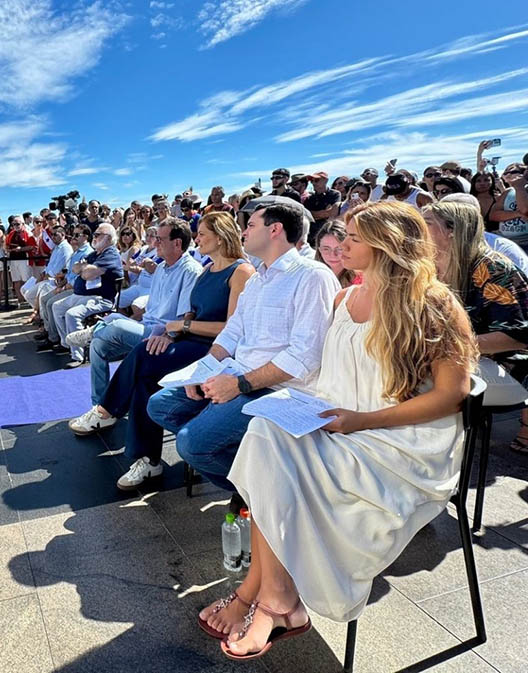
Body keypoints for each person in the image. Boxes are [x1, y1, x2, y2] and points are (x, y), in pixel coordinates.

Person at [204, 201, 477, 660]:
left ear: (387, 244)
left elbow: (452, 395)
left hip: (401, 445)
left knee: (271, 455)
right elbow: (337, 378)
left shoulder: (433, 304)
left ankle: (266, 597)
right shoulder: (343, 299)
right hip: (343, 424)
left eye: (353, 238)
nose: (340, 245)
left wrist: (361, 421)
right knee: (266, 435)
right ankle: (271, 597)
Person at [147, 203, 339, 492]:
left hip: (280, 389)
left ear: (275, 230)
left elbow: (304, 355)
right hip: (240, 374)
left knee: (191, 443)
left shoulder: (312, 276)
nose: (243, 231)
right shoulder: (258, 279)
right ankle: (255, 473)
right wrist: (201, 372)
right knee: (161, 405)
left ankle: (271, 493)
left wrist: (238, 385)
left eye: (250, 225)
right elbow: (232, 331)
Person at [81, 213, 255, 489]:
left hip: (214, 350)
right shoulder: (208, 270)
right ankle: (148, 460)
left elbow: (232, 328)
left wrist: (181, 326)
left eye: (202, 234)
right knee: (144, 377)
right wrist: (169, 334)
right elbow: (191, 311)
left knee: (142, 355)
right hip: (188, 340)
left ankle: (108, 410)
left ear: (220, 237)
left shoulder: (241, 272)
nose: (197, 239)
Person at [68, 217, 203, 432]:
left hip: (164, 336)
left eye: (160, 239)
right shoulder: (161, 268)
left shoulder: (191, 271)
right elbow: (151, 311)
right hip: (147, 326)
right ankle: (100, 406)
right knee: (98, 345)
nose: (155, 243)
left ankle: (95, 330)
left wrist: (168, 335)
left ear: (177, 243)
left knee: (115, 326)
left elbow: (185, 317)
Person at [422, 198, 528, 454]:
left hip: (504, 366)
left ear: (452, 230)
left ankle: (428, 458)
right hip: (453, 357)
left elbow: (518, 336)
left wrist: (441, 349)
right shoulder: (430, 267)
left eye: (427, 222)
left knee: (418, 379)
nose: (418, 228)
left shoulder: (494, 268)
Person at [48, 223, 124, 364]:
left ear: (108, 238)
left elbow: (87, 275)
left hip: (100, 299)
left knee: (72, 314)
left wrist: (85, 268)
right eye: (94, 234)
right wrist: (85, 268)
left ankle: (78, 355)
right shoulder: (95, 254)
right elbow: (75, 268)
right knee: (57, 306)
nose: (94, 237)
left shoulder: (111, 254)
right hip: (81, 296)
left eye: (97, 235)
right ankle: (67, 343)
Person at [36, 227, 92, 350]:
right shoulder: (76, 252)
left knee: (52, 304)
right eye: (73, 234)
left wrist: (65, 287)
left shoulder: (87, 253)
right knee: (44, 299)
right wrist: (61, 285)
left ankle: (58, 339)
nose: (73, 237)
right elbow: (69, 274)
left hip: (77, 289)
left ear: (86, 237)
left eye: (77, 235)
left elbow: (82, 277)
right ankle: (51, 333)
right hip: (68, 285)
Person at [314, 220, 357, 287]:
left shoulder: (362, 281)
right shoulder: (311, 276)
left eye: (339, 249)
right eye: (326, 249)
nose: (333, 254)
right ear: (319, 250)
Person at [303, 172, 341, 245]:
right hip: (310, 237)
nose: (313, 183)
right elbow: (306, 215)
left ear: (325, 181)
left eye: (316, 180)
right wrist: (325, 213)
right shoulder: (309, 198)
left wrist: (313, 214)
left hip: (326, 235)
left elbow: (332, 213)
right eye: (312, 181)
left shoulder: (335, 194)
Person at [5, 216, 35, 305]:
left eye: (18, 224)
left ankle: (29, 300)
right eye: (14, 224)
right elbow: (6, 245)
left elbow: (32, 246)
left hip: (24, 260)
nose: (16, 226)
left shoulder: (28, 233)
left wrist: (21, 249)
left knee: (26, 280)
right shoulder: (11, 234)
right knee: (16, 280)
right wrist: (9, 249)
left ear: (22, 224)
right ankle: (20, 300)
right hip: (13, 260)